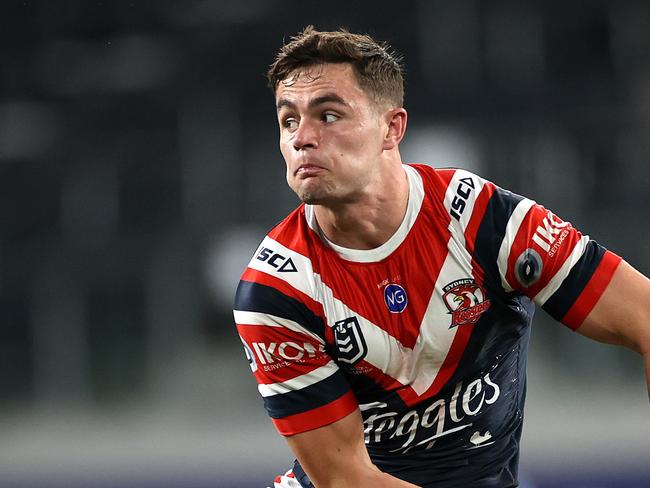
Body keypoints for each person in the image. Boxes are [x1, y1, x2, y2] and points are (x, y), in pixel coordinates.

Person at [233, 26, 650, 488]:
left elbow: (645, 317)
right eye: (288, 120)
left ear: (392, 128)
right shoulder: (275, 289)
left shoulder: (483, 220)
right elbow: (343, 478)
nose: (302, 138)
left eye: (328, 116)